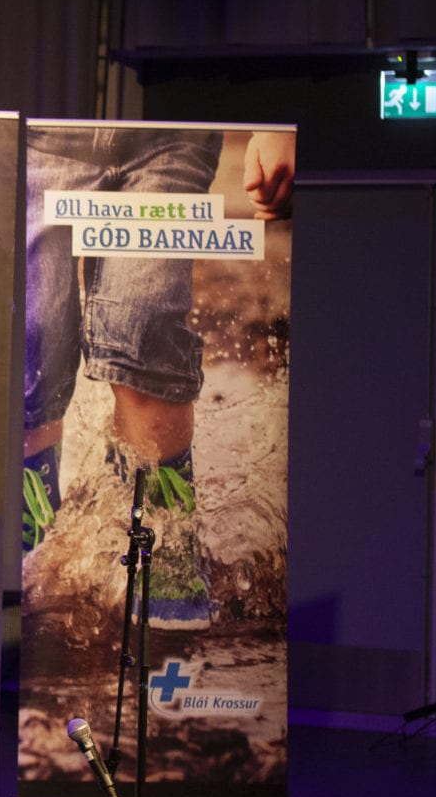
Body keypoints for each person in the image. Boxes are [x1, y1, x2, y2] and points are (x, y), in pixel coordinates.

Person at [21, 127, 294, 629]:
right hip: (38, 143)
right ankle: (33, 526)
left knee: (143, 324)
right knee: (35, 338)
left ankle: (165, 538)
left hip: (168, 139)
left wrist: (276, 126)